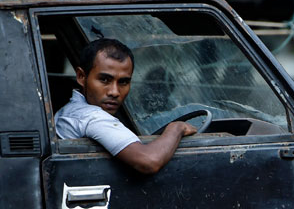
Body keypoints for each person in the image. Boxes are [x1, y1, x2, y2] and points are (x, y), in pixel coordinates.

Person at [54, 38, 195, 174]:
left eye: (123, 82)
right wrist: (176, 128)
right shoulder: (91, 117)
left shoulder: (70, 110)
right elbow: (149, 161)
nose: (115, 92)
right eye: (104, 80)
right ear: (81, 77)